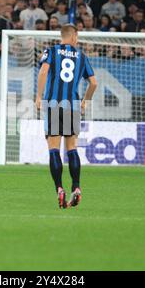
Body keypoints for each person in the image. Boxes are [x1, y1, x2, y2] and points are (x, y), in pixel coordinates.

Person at [35, 24, 97, 209]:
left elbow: (44, 71)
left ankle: (59, 189)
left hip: (54, 103)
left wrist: (38, 96)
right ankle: (76, 187)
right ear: (73, 36)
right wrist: (85, 101)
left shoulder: (51, 51)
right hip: (73, 105)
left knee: (54, 148)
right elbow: (93, 83)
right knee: (72, 148)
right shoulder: (82, 56)